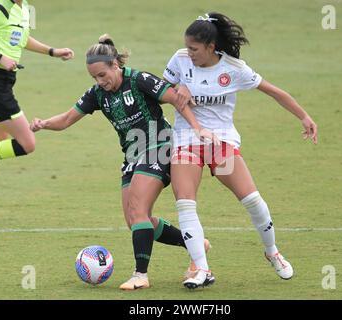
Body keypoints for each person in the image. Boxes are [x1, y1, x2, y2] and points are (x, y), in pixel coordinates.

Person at [30, 34, 217, 290]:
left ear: (115, 65)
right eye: (95, 77)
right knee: (135, 219)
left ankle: (141, 275)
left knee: (138, 209)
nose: (100, 81)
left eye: (102, 75)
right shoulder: (97, 94)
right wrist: (43, 124)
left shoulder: (139, 80)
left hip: (160, 147)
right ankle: (194, 243)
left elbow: (176, 98)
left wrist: (197, 129)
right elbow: (66, 119)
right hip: (132, 156)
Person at [163, 12, 318, 289]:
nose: (189, 53)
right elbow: (166, 89)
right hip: (187, 138)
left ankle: (272, 252)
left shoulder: (234, 69)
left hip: (220, 142)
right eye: (187, 47)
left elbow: (273, 91)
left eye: (195, 49)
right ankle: (201, 268)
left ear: (211, 47)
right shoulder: (180, 59)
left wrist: (304, 117)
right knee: (185, 202)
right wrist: (178, 86)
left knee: (252, 200)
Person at [0, 0, 74, 219]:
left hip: (1, 82)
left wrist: (52, 51)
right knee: (27, 143)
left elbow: (21, 39)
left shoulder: (26, 8)